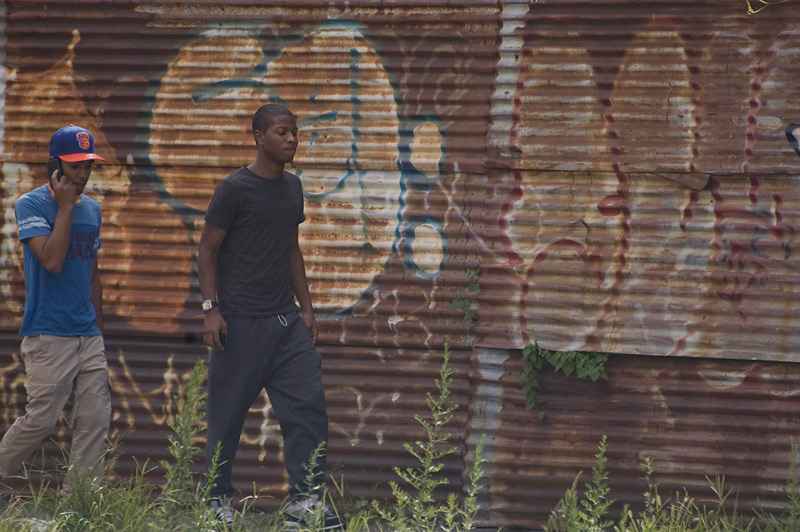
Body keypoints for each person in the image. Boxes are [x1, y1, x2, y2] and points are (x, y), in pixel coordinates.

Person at [197, 103, 342, 530]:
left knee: (308, 409)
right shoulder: (234, 190)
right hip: (240, 323)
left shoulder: (292, 187)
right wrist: (211, 311)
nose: (291, 140)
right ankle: (216, 502)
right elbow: (207, 249)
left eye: (294, 133)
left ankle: (305, 502)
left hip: (285, 323)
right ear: (259, 137)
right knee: (226, 418)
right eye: (282, 132)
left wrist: (308, 308)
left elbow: (290, 248)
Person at [0, 125, 110, 509]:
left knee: (95, 419)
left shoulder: (93, 209)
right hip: (49, 335)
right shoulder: (30, 205)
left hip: (86, 334)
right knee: (42, 420)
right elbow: (51, 259)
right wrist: (64, 207)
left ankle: (76, 503)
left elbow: (92, 272)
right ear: (55, 164)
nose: (82, 174)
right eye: (75, 165)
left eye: (88, 166)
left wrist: (97, 326)